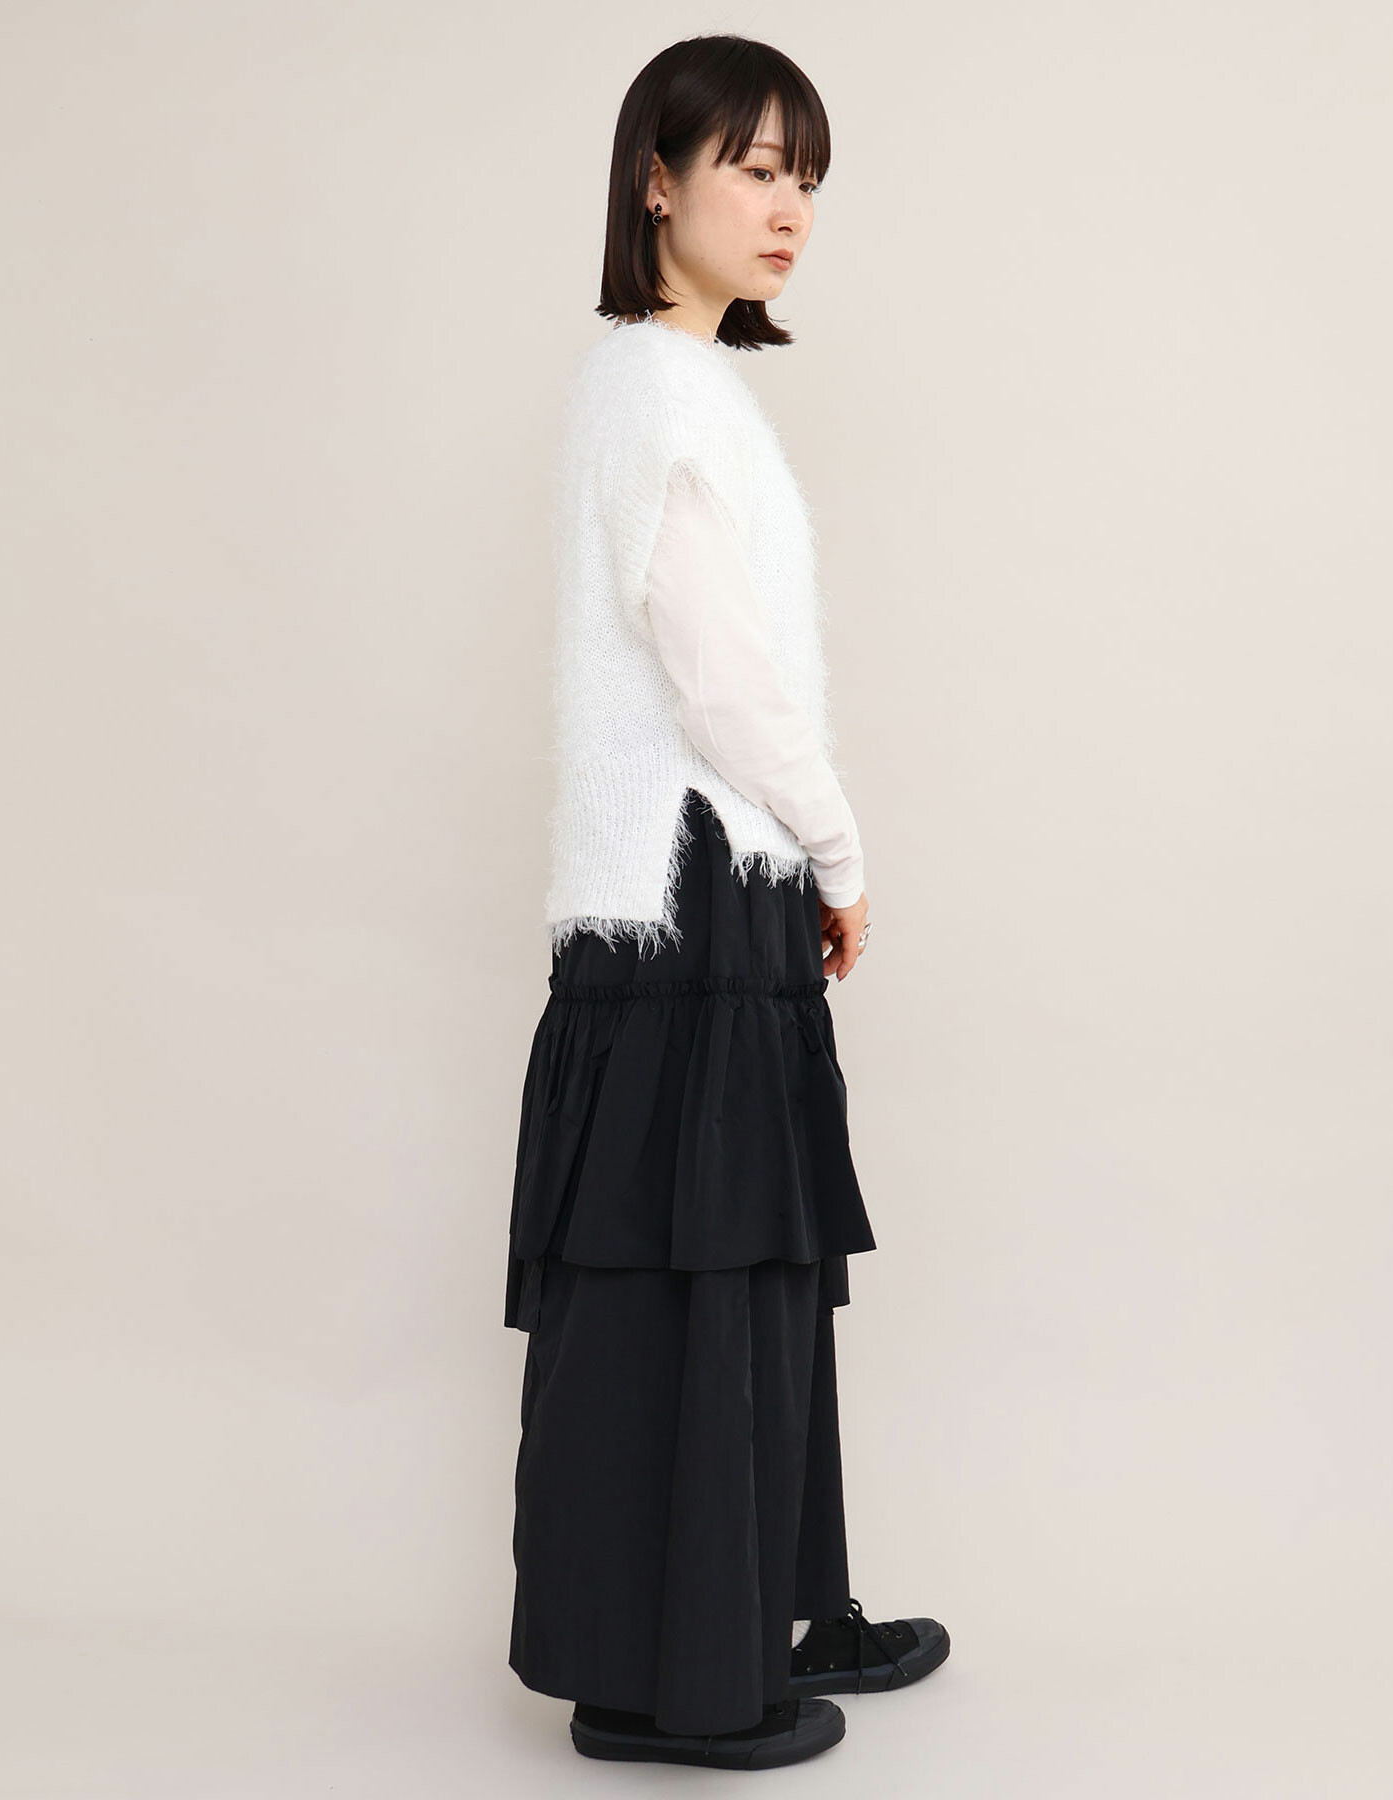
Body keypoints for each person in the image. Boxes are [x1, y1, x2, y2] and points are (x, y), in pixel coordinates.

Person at [503, 34, 949, 1771]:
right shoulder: (656, 389)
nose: (789, 208)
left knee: (746, 1267)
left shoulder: (681, 385)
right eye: (755, 169)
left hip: (708, 886)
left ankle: (766, 1610)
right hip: (691, 887)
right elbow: (718, 675)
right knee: (686, 1279)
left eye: (805, 177)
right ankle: (671, 1686)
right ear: (656, 181)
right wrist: (839, 847)